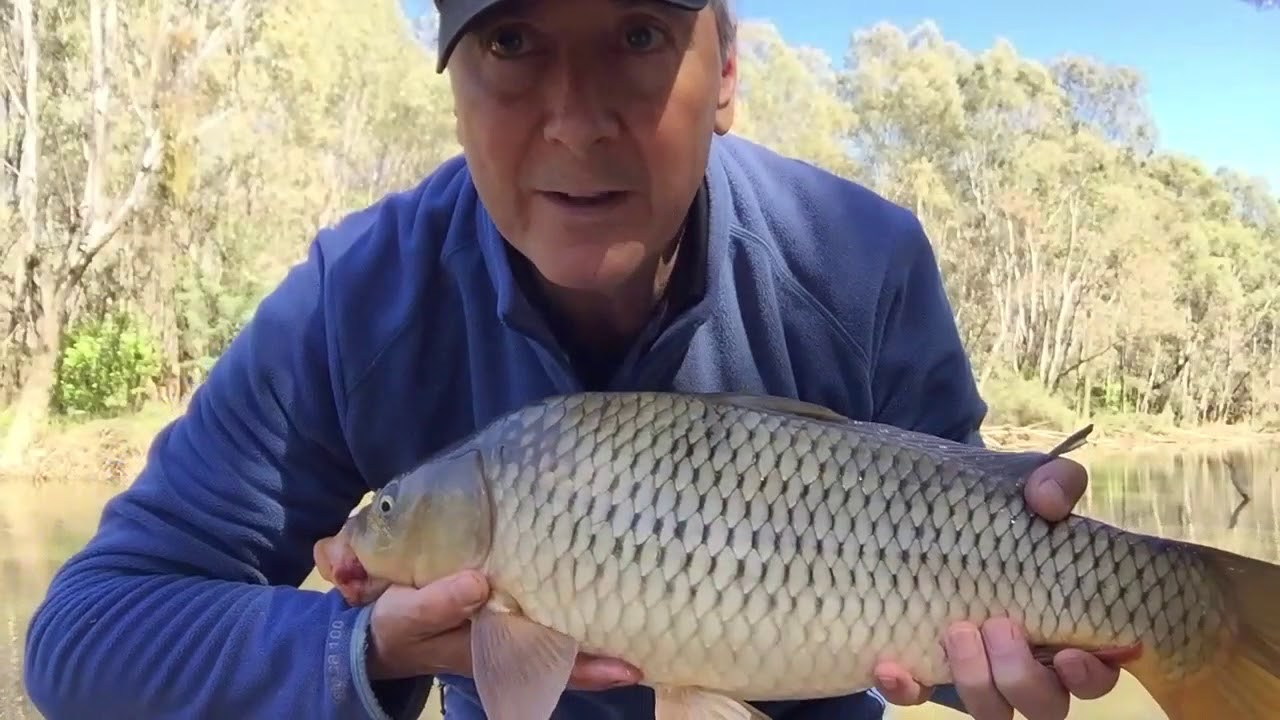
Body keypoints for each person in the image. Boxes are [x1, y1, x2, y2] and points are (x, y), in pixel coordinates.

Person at [22, 0, 1124, 719]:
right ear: (451, 78)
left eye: (638, 33)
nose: (576, 120)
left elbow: (970, 546)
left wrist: (1003, 640)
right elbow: (84, 638)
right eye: (511, 41)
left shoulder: (859, 262)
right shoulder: (352, 297)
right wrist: (374, 647)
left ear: (726, 71)